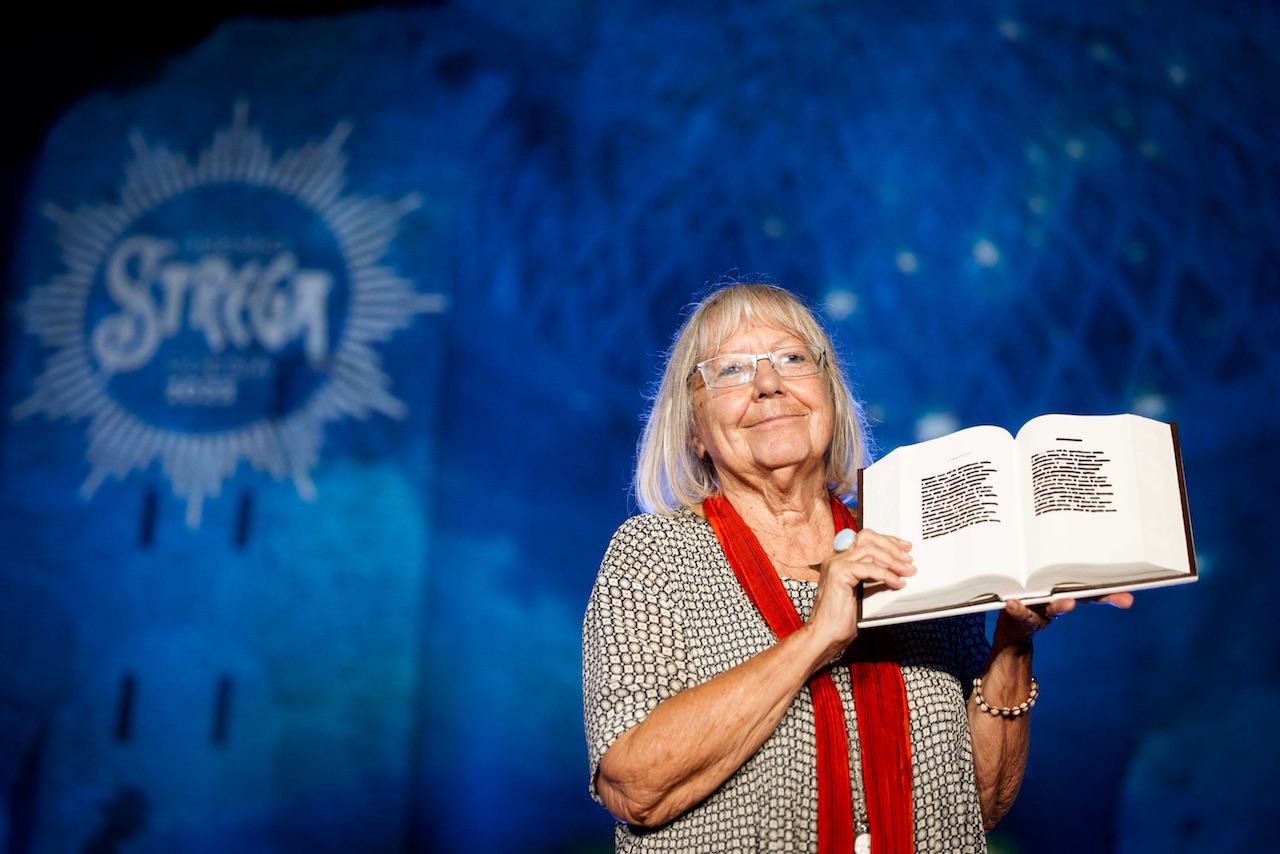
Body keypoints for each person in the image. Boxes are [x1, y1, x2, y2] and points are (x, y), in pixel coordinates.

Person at [581, 281, 1132, 852]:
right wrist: (816, 638)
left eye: (793, 359)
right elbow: (633, 788)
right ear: (694, 431)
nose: (768, 384)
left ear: (830, 396)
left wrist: (1013, 640)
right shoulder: (653, 555)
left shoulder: (916, 543)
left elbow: (978, 805)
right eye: (731, 370)